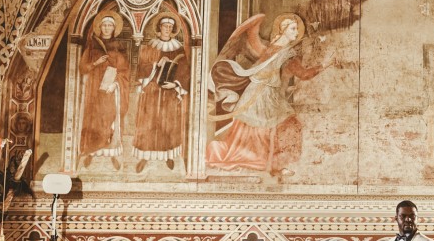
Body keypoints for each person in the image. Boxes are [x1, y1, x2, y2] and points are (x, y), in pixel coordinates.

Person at [206, 13, 322, 176]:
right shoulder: (286, 52)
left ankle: (274, 164)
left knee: (274, 126)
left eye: (297, 29)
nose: (296, 33)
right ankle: (270, 164)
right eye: (293, 29)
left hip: (262, 91)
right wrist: (322, 66)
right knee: (273, 127)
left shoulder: (273, 48)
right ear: (283, 31)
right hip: (262, 94)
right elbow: (304, 74)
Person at [132, 14, 188, 172]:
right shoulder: (151, 46)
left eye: (170, 27)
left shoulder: (178, 47)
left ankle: (168, 156)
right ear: (159, 28)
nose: (167, 29)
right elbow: (142, 66)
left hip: (169, 92)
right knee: (148, 122)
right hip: (152, 90)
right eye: (165, 26)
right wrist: (156, 63)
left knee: (168, 123)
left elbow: (184, 70)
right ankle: (144, 156)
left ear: (173, 30)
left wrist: (175, 84)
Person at [78, 14, 129, 171]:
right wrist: (95, 63)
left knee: (109, 117)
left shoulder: (119, 47)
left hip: (110, 90)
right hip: (94, 89)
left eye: (110, 25)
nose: (107, 28)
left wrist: (115, 83)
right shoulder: (92, 46)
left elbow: (125, 71)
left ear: (114, 28)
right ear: (100, 27)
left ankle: (112, 152)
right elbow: (82, 68)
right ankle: (92, 151)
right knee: (94, 118)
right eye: (104, 25)